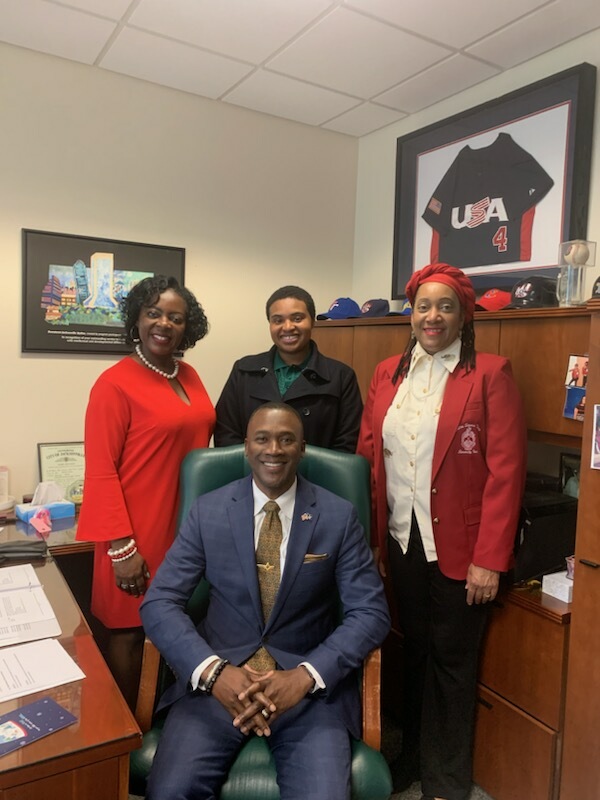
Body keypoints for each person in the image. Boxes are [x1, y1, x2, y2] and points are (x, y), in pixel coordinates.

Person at [140, 402, 390, 800]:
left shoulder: (337, 516)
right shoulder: (209, 511)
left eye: (286, 439)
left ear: (302, 448)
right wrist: (213, 673)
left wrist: (306, 675)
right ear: (246, 446)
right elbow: (160, 602)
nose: (273, 449)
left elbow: (371, 613)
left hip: (307, 695)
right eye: (263, 438)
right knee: (171, 791)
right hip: (217, 687)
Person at [357, 263, 527, 800]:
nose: (432, 316)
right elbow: (369, 455)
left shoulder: (490, 374)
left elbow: (506, 471)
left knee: (453, 665)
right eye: (423, 306)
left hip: (462, 549)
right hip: (402, 542)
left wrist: (490, 558)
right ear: (410, 313)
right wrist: (375, 540)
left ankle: (447, 782)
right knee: (411, 653)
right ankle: (408, 761)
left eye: (445, 306)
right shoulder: (388, 372)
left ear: (463, 314)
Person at [77, 275, 215, 709]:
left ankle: (165, 723)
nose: (164, 324)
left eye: (176, 317)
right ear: (136, 318)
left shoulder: (188, 374)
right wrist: (121, 547)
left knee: (176, 628)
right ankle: (127, 739)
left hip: (184, 526)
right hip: (134, 531)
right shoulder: (114, 383)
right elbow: (100, 470)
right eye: (153, 313)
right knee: (129, 632)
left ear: (187, 327)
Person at [214, 285, 363, 452]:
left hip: (317, 476)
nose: (287, 327)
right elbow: (225, 433)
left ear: (312, 321)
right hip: (251, 474)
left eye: (297, 318)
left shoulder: (341, 377)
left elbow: (348, 443)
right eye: (278, 320)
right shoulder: (243, 370)